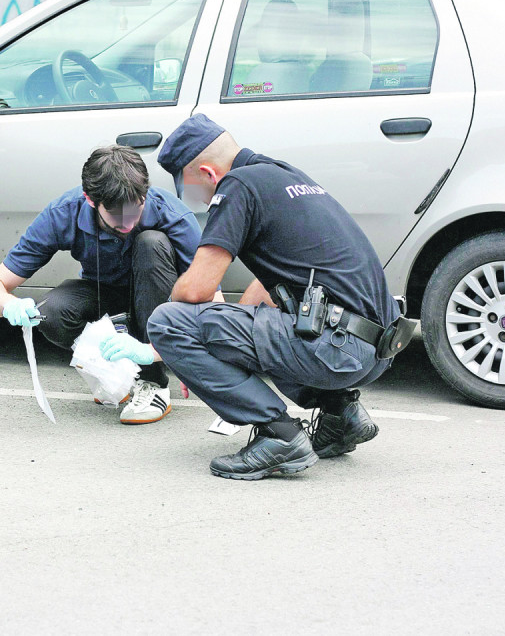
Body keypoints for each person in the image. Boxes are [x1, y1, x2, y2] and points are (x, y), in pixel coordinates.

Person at [148, 115, 402, 480]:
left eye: (191, 190)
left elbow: (196, 290)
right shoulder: (284, 174)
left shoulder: (236, 185)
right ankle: (340, 417)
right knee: (270, 319)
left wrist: (185, 337)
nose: (197, 201)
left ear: (207, 173)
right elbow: (269, 285)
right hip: (375, 350)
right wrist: (223, 346)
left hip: (339, 349)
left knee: (167, 321)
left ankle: (279, 435)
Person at [0, 144, 205, 424]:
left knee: (151, 243)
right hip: (107, 299)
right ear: (90, 200)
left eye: (135, 210)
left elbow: (209, 298)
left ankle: (152, 383)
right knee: (52, 311)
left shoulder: (174, 215)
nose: (128, 222)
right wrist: (8, 304)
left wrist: (194, 357)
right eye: (116, 215)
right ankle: (115, 374)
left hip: (160, 303)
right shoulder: (64, 212)